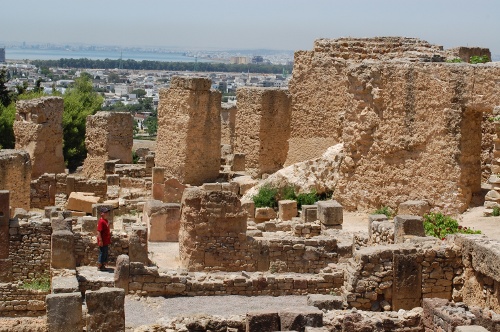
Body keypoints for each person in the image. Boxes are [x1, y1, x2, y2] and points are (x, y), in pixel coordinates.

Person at [97, 206, 111, 271]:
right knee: (102, 253)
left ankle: (103, 265)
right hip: (103, 241)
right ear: (101, 213)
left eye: (107, 212)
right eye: (105, 212)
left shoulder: (106, 221)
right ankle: (100, 265)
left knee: (105, 253)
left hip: (106, 240)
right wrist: (100, 240)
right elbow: (99, 231)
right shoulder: (101, 221)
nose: (107, 214)